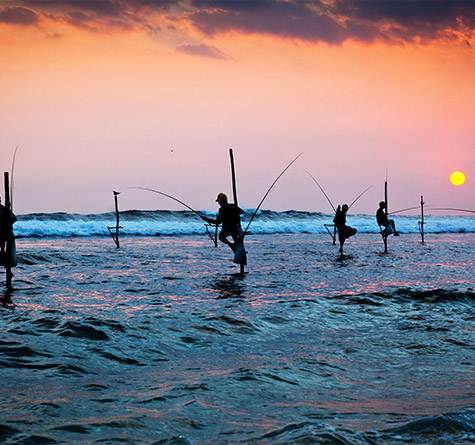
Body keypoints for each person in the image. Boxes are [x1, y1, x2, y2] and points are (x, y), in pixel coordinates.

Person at [0, 196, 17, 262]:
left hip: (3, 231)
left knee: (2, 241)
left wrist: (6, 223)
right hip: (2, 231)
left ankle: (3, 254)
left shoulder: (4, 209)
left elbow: (14, 218)